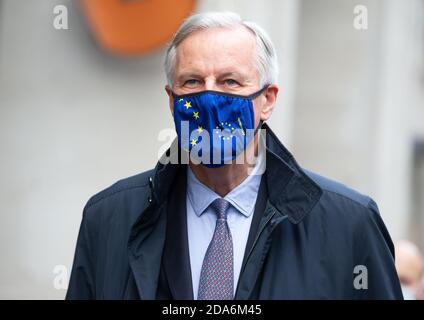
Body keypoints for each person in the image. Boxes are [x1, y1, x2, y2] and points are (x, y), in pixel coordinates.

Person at [66, 11, 402, 300]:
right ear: (172, 99)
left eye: (229, 82)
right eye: (193, 81)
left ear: (267, 100)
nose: (210, 97)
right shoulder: (108, 219)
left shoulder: (348, 224)